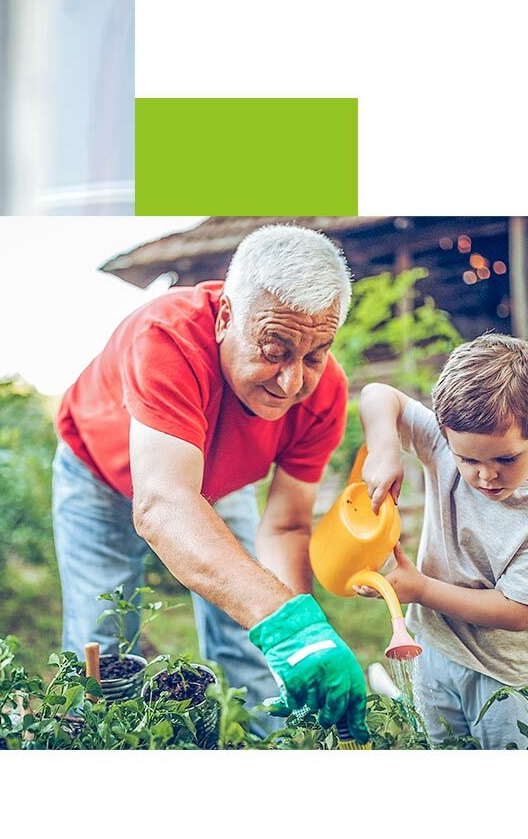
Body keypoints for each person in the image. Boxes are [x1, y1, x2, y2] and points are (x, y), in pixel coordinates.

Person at [54, 224, 367, 737]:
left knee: (253, 636)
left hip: (217, 483)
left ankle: (282, 742)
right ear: (225, 317)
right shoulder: (168, 336)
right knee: (104, 641)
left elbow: (286, 528)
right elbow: (164, 504)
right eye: (274, 349)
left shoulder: (324, 393)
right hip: (99, 473)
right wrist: (287, 623)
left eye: (314, 355)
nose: (293, 383)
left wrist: (307, 635)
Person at [357, 334, 528, 747]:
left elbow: (519, 612)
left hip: (500, 674)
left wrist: (421, 589)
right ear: (445, 434)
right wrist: (384, 447)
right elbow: (377, 394)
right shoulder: (440, 443)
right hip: (433, 649)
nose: (485, 476)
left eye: (505, 459)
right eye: (468, 460)